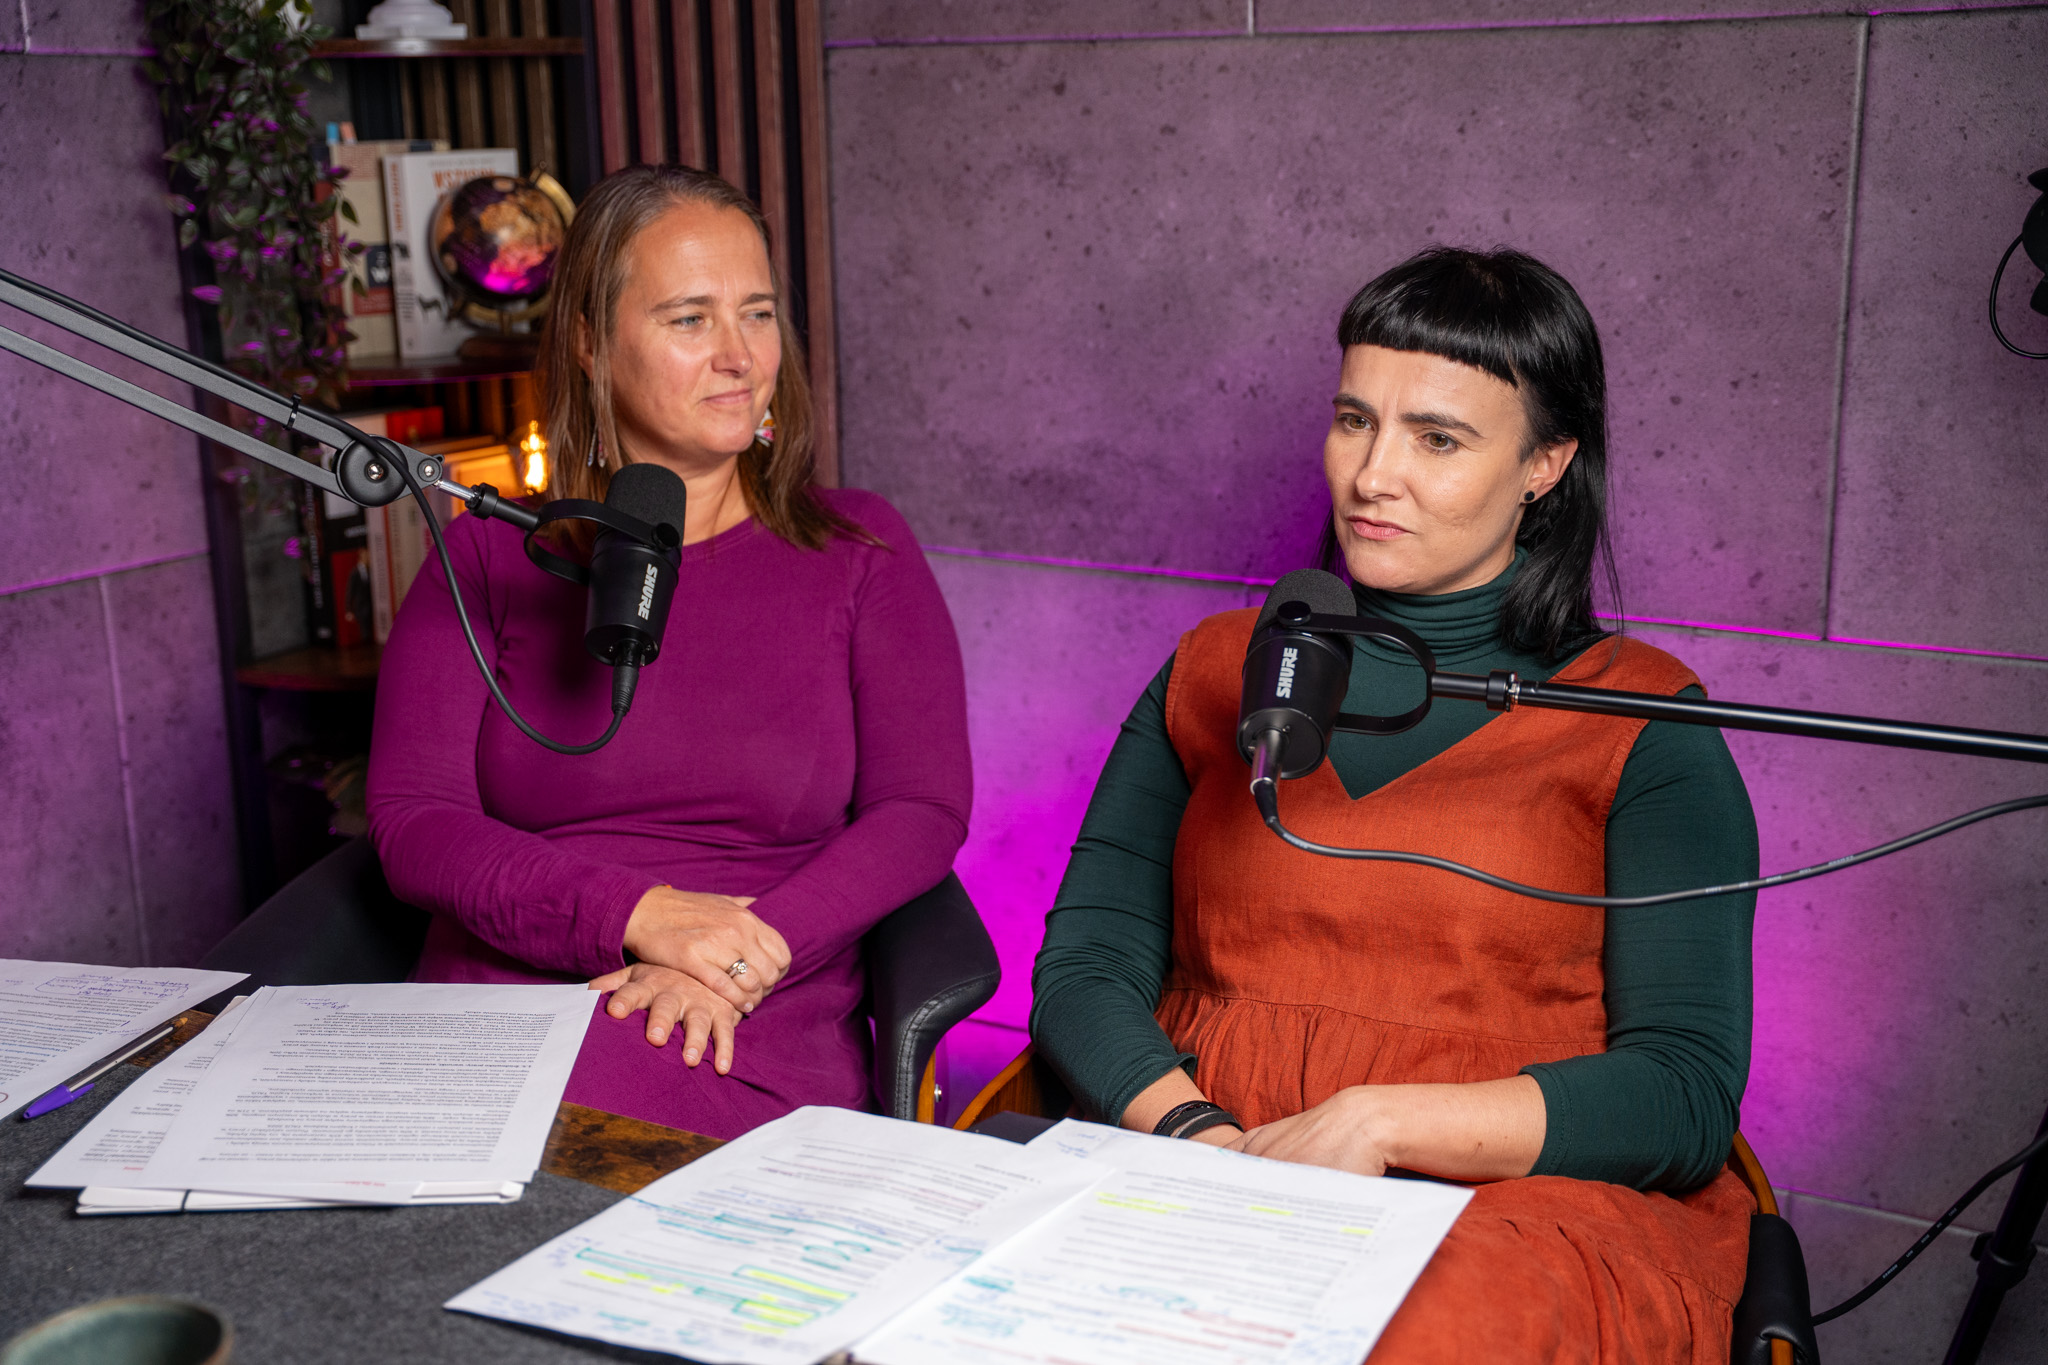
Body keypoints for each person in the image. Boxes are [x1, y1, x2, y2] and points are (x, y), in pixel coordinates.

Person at [1030, 247, 1759, 1360]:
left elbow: (1682, 1094)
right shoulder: (1217, 669)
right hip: (1194, 1147)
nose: (1373, 475)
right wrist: (1202, 1140)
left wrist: (1377, 1120)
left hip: (1509, 1206)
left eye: (1437, 439)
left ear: (1546, 463)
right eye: (1353, 421)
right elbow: (1086, 966)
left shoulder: (1645, 722)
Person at [366, 166, 971, 1141]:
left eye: (758, 313)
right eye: (690, 318)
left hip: (745, 1011)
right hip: (500, 1005)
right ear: (589, 343)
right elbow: (413, 823)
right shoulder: (485, 554)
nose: (740, 356)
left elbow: (921, 812)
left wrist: (739, 955)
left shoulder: (858, 550)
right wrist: (637, 915)